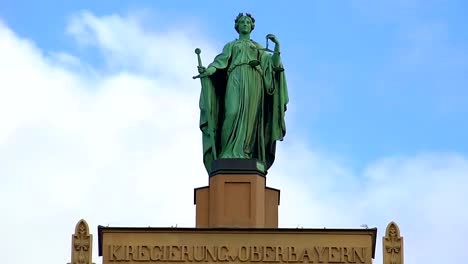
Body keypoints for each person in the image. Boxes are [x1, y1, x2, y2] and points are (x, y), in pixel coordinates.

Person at [197, 13, 288, 173]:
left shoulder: (258, 47)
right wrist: (208, 71)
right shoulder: (231, 45)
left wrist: (277, 47)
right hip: (235, 77)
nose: (245, 24)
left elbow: (273, 66)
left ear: (252, 26)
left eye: (247, 22)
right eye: (241, 22)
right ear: (237, 26)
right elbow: (220, 62)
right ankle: (227, 152)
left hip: (255, 81)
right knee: (231, 113)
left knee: (250, 119)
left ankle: (246, 152)